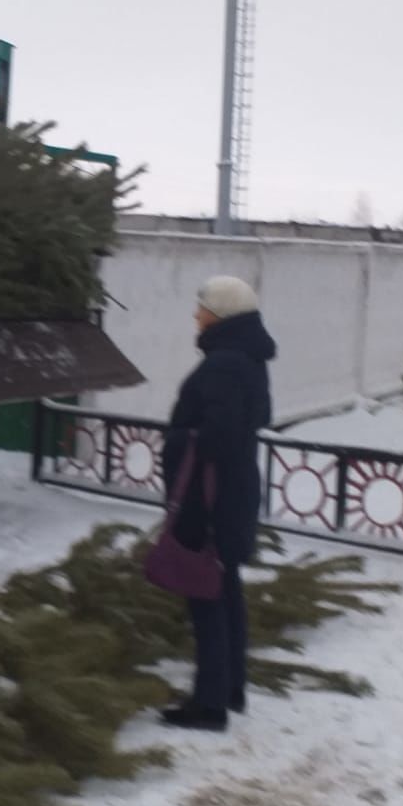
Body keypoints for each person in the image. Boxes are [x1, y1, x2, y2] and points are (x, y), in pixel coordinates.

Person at [160, 275, 277, 733]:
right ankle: (229, 689)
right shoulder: (246, 359)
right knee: (225, 590)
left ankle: (209, 707)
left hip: (209, 500)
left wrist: (178, 439)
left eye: (203, 307)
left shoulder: (224, 364)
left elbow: (218, 437)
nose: (196, 314)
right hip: (232, 493)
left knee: (205, 596)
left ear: (222, 315)